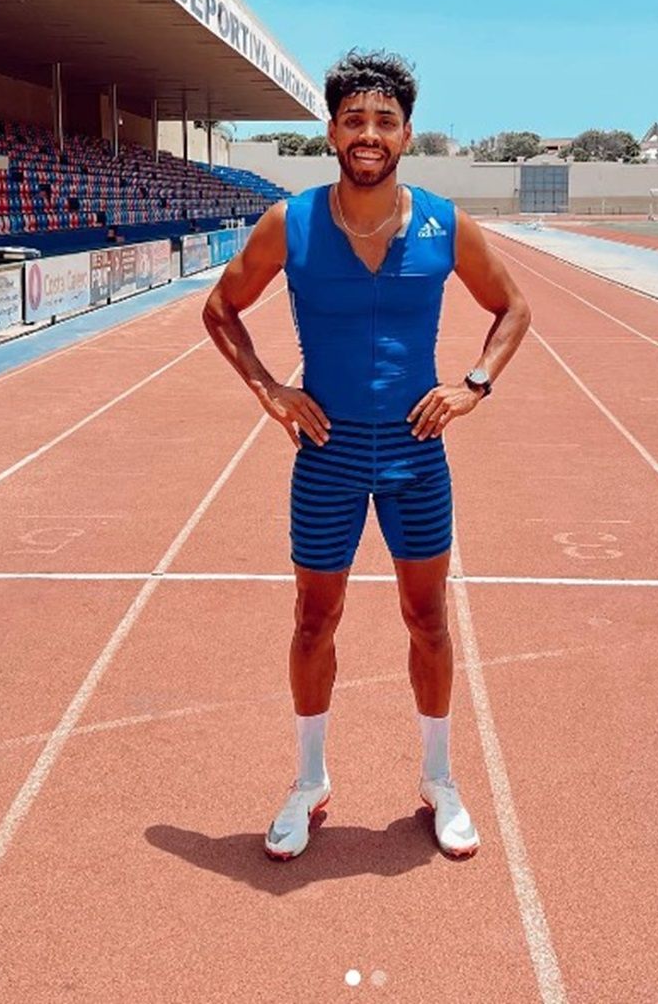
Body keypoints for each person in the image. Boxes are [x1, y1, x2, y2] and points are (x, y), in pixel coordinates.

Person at [202, 51, 531, 860]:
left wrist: (474, 385)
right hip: (328, 453)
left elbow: (513, 308)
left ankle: (439, 779)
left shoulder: (444, 224)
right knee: (315, 621)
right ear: (332, 131)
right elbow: (220, 309)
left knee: (428, 621)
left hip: (418, 456)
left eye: (384, 120)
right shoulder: (293, 222)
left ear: (406, 133)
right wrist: (270, 390)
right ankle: (310, 780)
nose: (369, 134)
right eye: (355, 119)